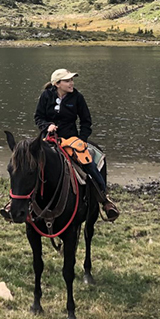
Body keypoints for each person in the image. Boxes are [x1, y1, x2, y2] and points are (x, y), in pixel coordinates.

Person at [35, 68, 119, 221]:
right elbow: (38, 117)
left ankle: (105, 200)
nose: (71, 83)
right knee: (27, 163)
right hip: (49, 138)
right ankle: (15, 201)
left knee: (88, 164)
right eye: (67, 81)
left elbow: (86, 121)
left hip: (72, 140)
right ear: (57, 83)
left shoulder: (77, 97)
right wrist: (47, 126)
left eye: (72, 80)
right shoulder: (45, 96)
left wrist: (82, 139)